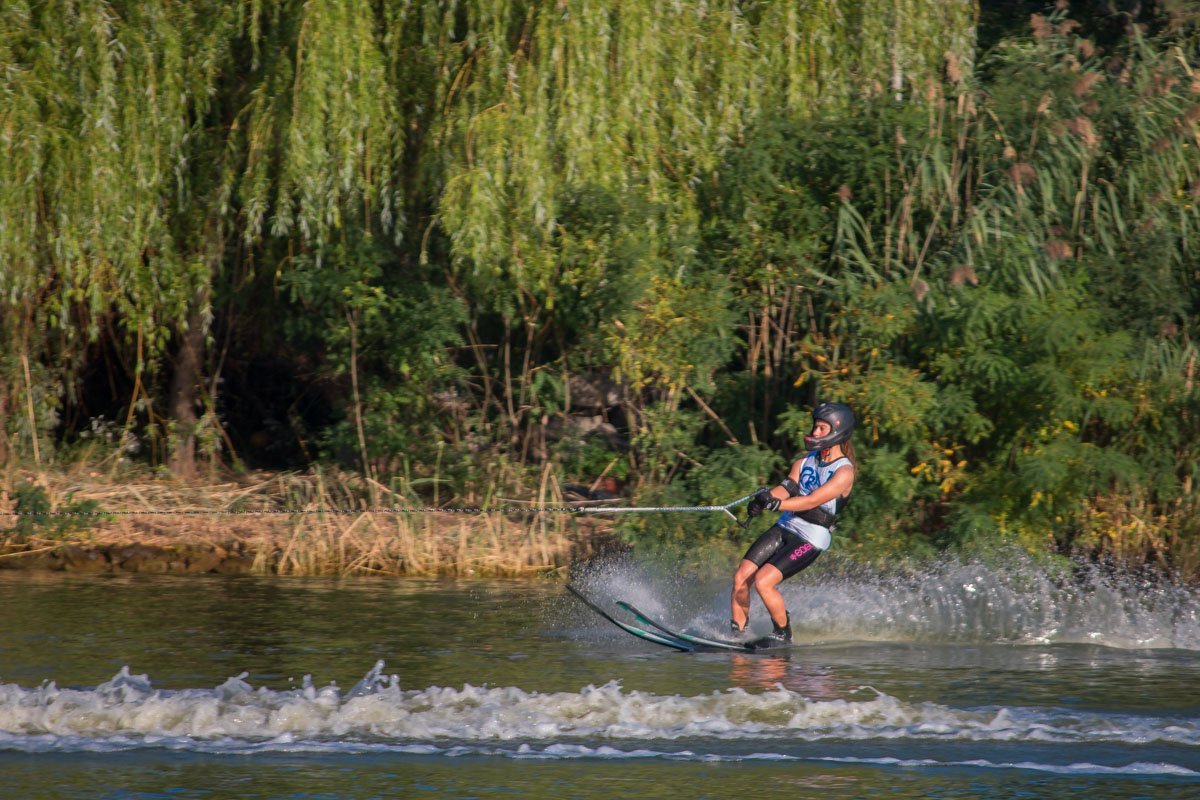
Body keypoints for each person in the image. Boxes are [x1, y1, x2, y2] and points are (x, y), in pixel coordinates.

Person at [730, 402, 856, 648]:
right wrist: (765, 499)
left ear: (837, 432)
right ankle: (736, 636)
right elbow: (787, 489)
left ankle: (782, 633)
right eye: (815, 427)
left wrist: (777, 505)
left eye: (821, 428)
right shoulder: (804, 462)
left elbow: (811, 500)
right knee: (740, 578)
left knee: (764, 581)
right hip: (786, 526)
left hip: (811, 537)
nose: (815, 432)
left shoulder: (844, 473)